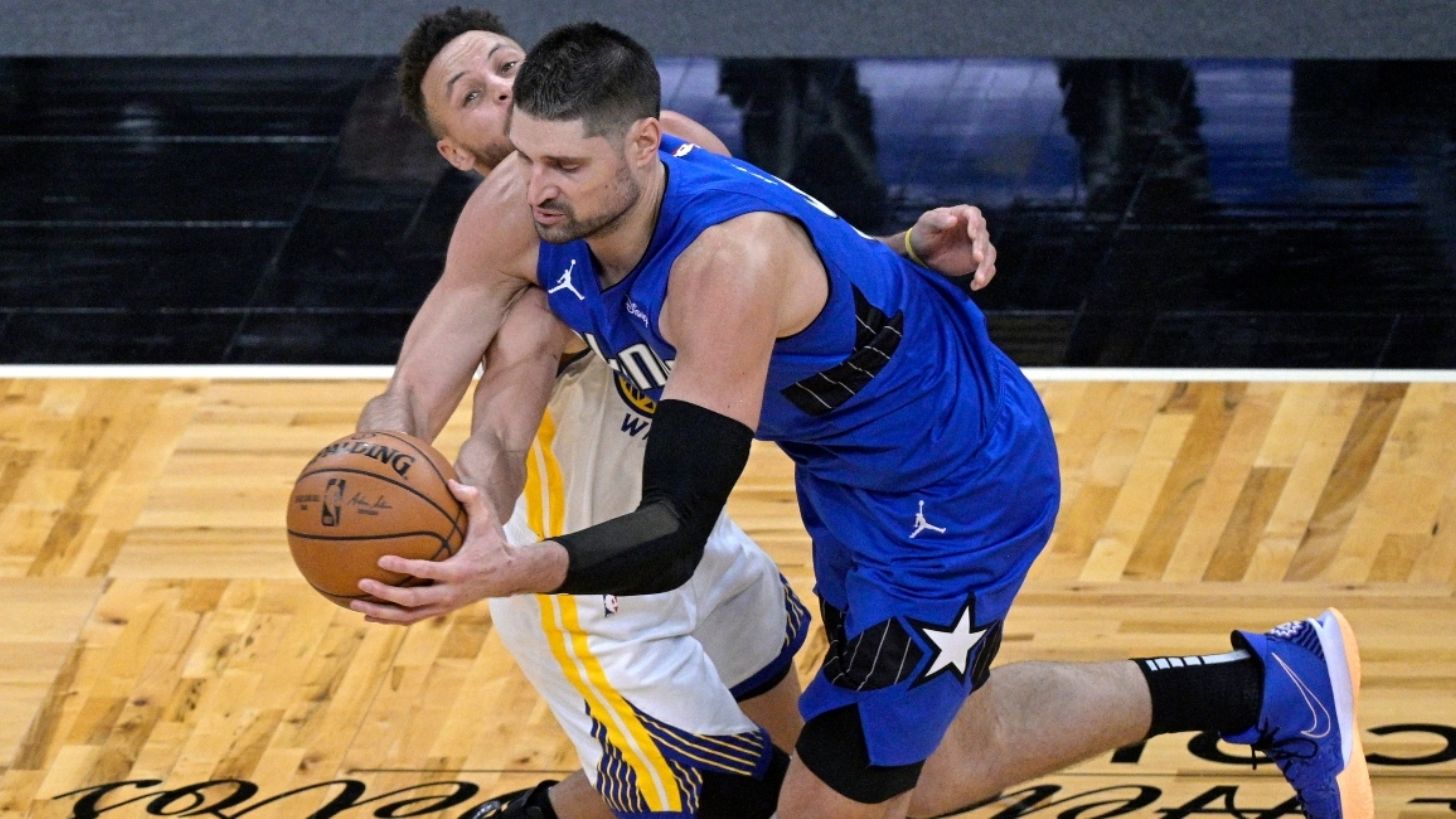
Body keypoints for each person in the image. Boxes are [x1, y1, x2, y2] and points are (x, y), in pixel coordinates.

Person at [356, 21, 1374, 819]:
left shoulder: (723, 261)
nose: (534, 189)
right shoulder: (532, 213)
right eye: (517, 153)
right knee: (931, 763)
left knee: (849, 793)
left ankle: (1268, 686)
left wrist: (504, 566)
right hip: (849, 474)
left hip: (954, 487)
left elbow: (673, 527)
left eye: (561, 165)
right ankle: (1272, 682)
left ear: (643, 142)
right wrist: (372, 467)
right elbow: (428, 395)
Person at [359, 9, 1000, 818]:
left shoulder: (672, 159)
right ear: (456, 151)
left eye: (507, 65)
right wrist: (391, 487)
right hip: (587, 586)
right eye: (474, 96)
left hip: (687, 535)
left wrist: (897, 249)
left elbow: (776, 252)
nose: (505, 88)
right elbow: (468, 422)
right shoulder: (516, 268)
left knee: (804, 767)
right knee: (741, 800)